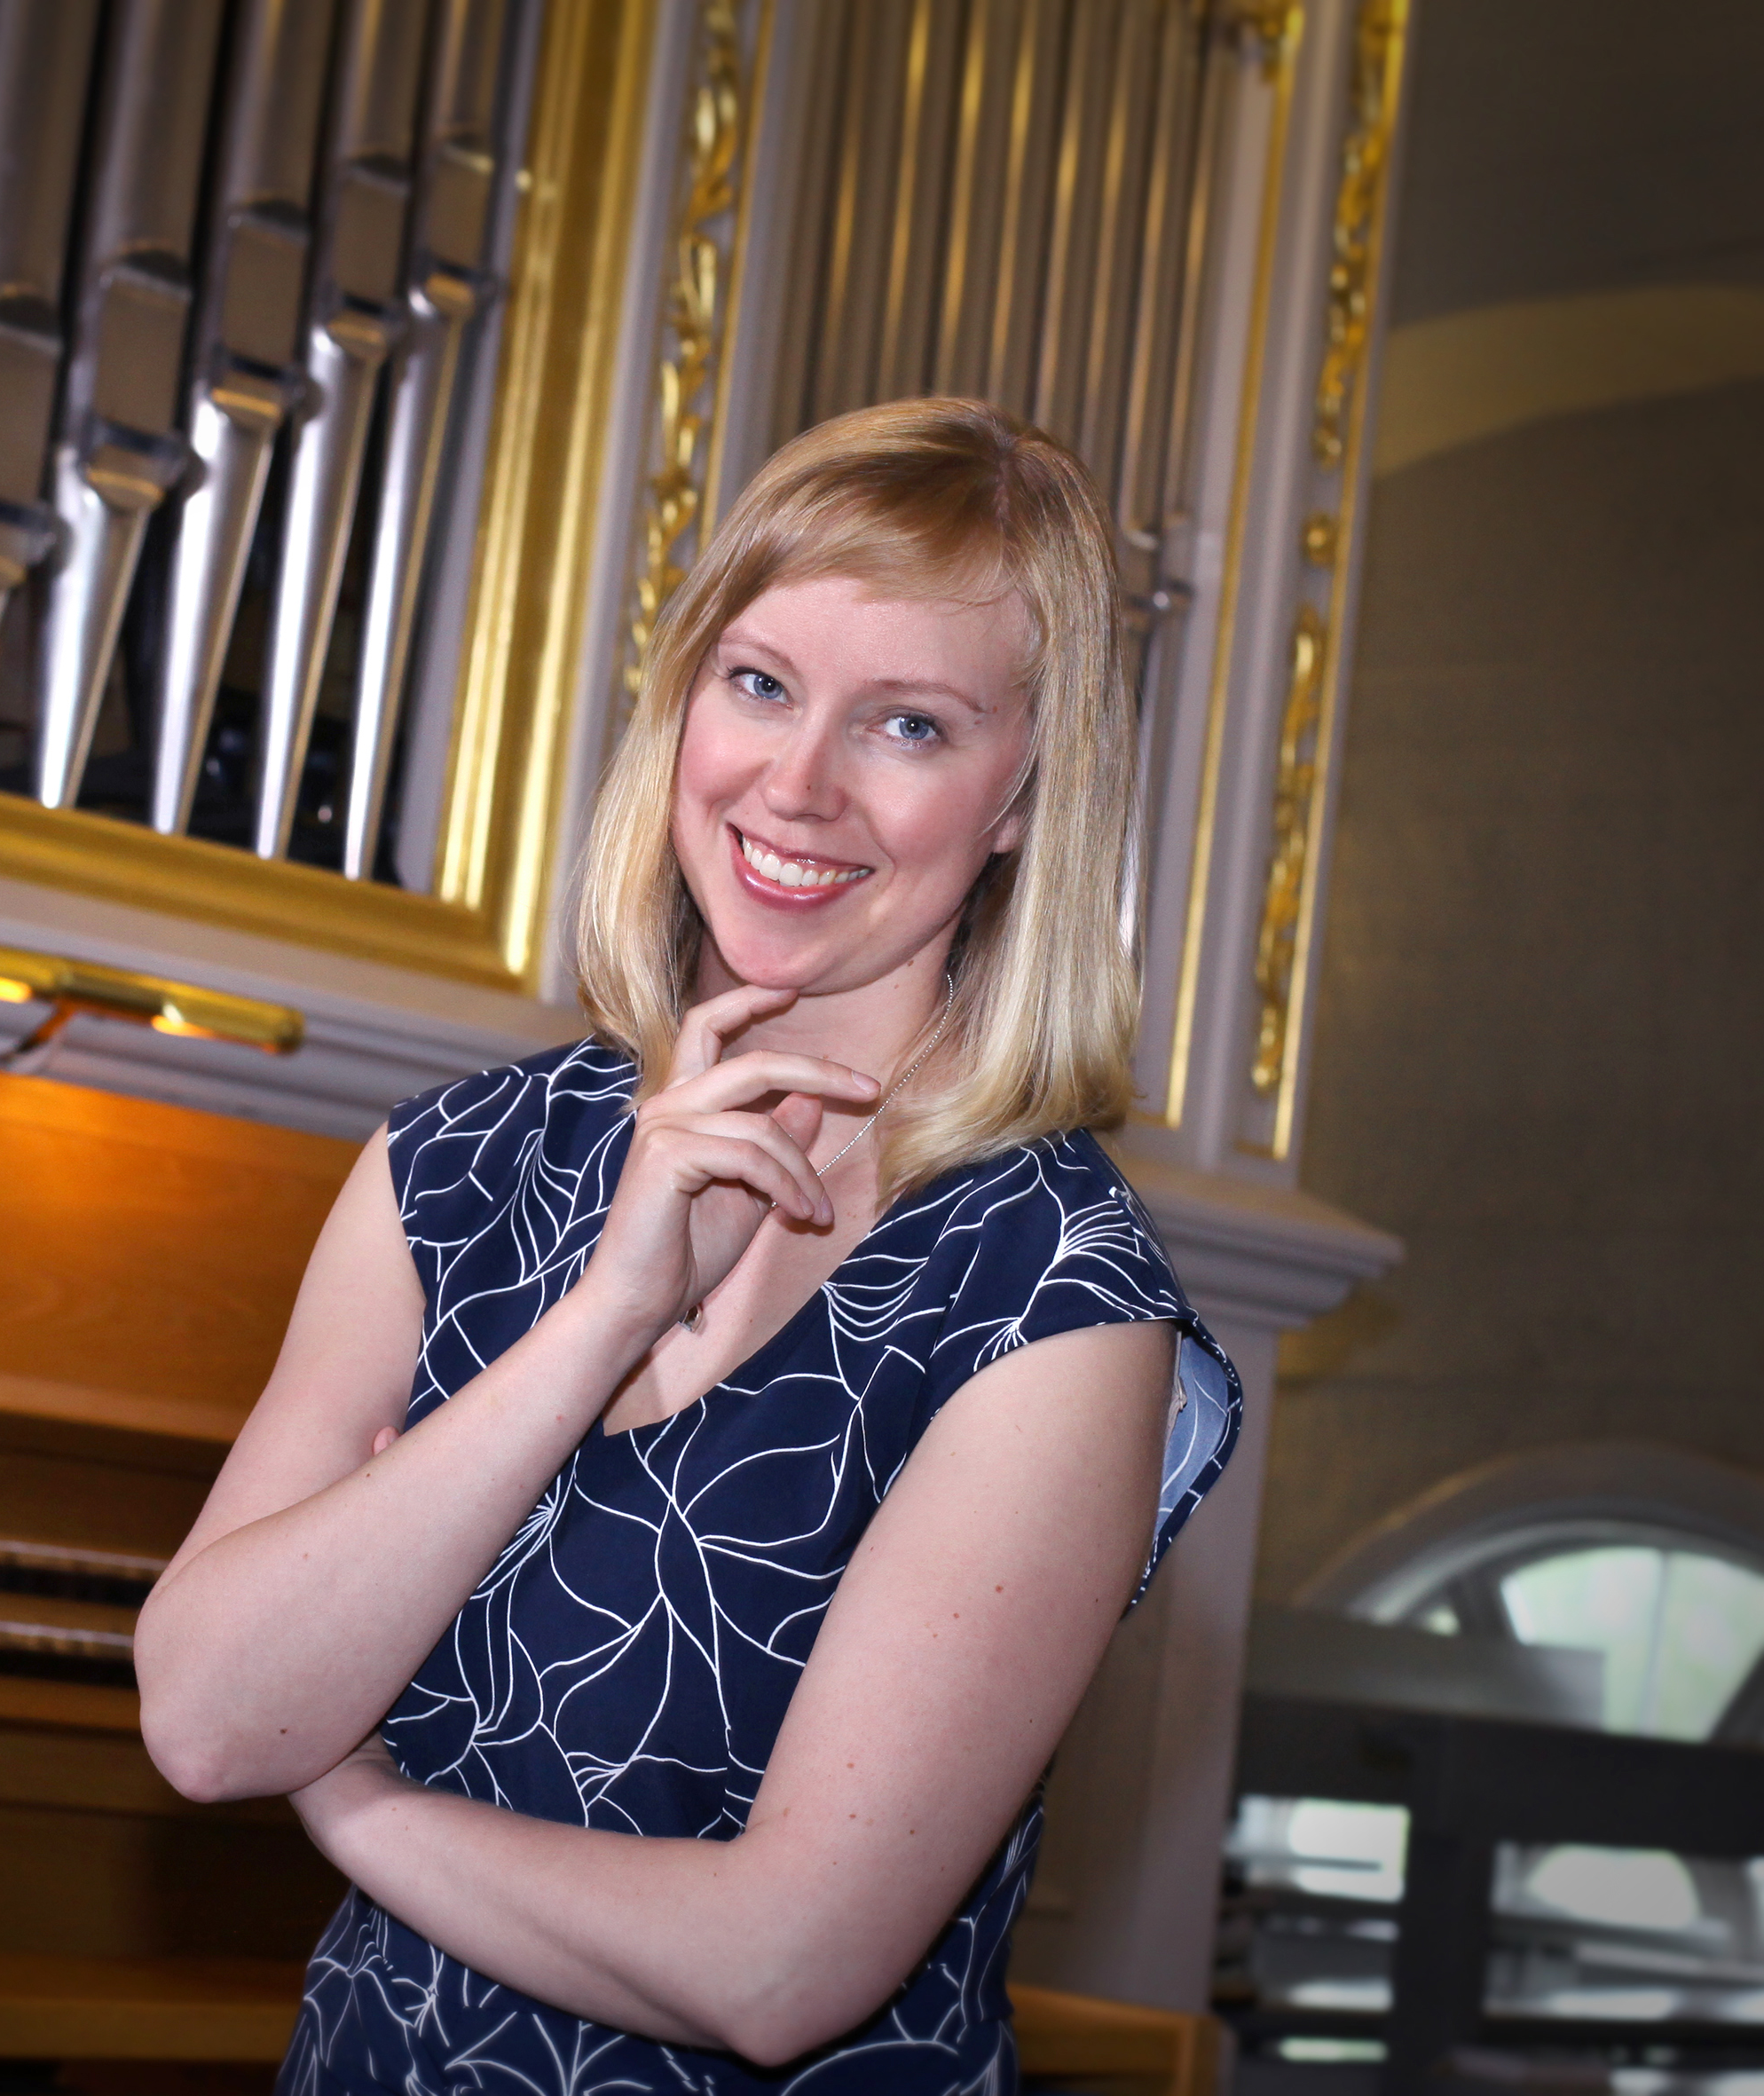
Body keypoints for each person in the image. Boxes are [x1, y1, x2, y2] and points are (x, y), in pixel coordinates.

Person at [133, 398, 1240, 2093]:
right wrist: (600, 1321)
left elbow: (781, 1963)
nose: (796, 785)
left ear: (1022, 795)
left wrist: (354, 1800)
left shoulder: (1054, 1304)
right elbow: (206, 1717)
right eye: (760, 683)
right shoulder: (462, 1165)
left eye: (910, 726)